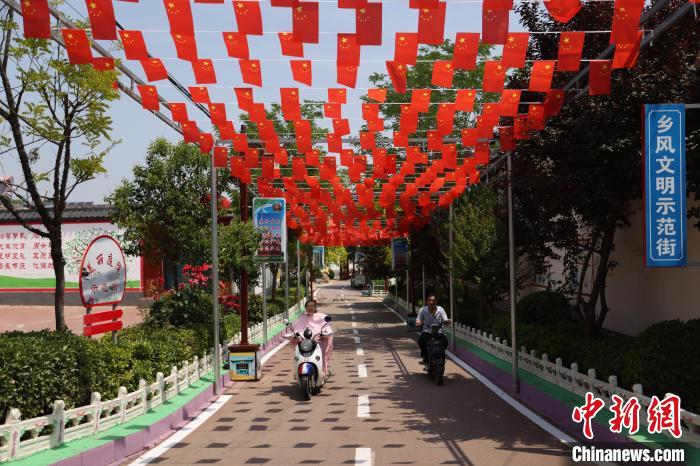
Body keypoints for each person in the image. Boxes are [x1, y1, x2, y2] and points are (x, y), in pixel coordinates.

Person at [288, 299, 334, 378]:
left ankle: (322, 371)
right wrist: (294, 334)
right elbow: (295, 327)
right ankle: (297, 371)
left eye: (312, 306)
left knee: (321, 355)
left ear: (315, 308)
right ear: (305, 308)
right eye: (308, 306)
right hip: (305, 342)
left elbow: (326, 325)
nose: (310, 308)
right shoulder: (301, 318)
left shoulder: (321, 316)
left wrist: (324, 333)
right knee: (297, 355)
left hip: (318, 341)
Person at [416, 294, 451, 365]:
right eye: (430, 300)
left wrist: (448, 321)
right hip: (427, 331)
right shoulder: (422, 310)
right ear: (427, 301)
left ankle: (442, 356)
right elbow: (418, 320)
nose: (431, 302)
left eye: (433, 300)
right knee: (421, 341)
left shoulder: (440, 309)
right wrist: (418, 322)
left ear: (436, 302)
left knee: (445, 342)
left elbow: (445, 320)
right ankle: (425, 357)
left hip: (438, 331)